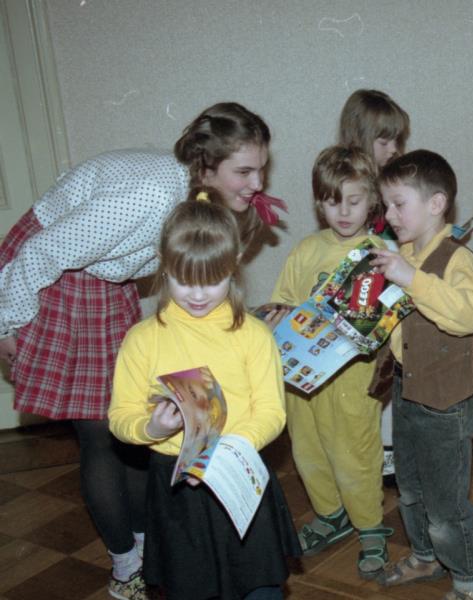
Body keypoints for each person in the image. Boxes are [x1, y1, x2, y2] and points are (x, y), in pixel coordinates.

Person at [0, 102, 276, 600]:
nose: (257, 183)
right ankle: (126, 564)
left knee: (133, 420)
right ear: (206, 165)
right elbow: (42, 252)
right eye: (244, 171)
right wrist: (7, 318)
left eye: (261, 169)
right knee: (100, 434)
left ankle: (149, 546)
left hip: (100, 280)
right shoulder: (152, 196)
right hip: (53, 277)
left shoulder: (194, 195)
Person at [109, 193, 299, 599]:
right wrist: (151, 427)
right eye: (184, 280)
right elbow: (120, 417)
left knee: (259, 587)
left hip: (238, 475)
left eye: (212, 280)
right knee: (191, 588)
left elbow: (271, 412)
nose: (197, 294)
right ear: (164, 265)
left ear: (233, 266)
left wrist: (227, 454)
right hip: (176, 489)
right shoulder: (142, 340)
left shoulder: (253, 335)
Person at [367, 150, 473, 600]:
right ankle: (425, 557)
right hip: (407, 388)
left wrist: (410, 278)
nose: (389, 215)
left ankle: (471, 581)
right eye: (386, 205)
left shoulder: (457, 259)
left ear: (437, 204)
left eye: (399, 204)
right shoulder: (400, 254)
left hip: (447, 400)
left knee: (446, 504)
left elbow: (469, 315)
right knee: (411, 488)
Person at [265, 146, 392, 575]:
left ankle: (370, 525)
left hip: (352, 382)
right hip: (301, 379)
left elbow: (384, 320)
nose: (344, 211)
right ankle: (330, 513)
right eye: (333, 201)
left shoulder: (378, 254)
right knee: (308, 450)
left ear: (372, 199)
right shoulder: (305, 249)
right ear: (319, 202)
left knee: (355, 452)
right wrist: (278, 314)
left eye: (354, 201)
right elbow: (282, 303)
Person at [338, 88, 411, 484]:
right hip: (365, 286)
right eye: (385, 140)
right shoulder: (349, 184)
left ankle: (392, 448)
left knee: (392, 365)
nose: (394, 148)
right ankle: (379, 450)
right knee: (372, 371)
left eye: (397, 140)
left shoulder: (391, 179)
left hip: (392, 282)